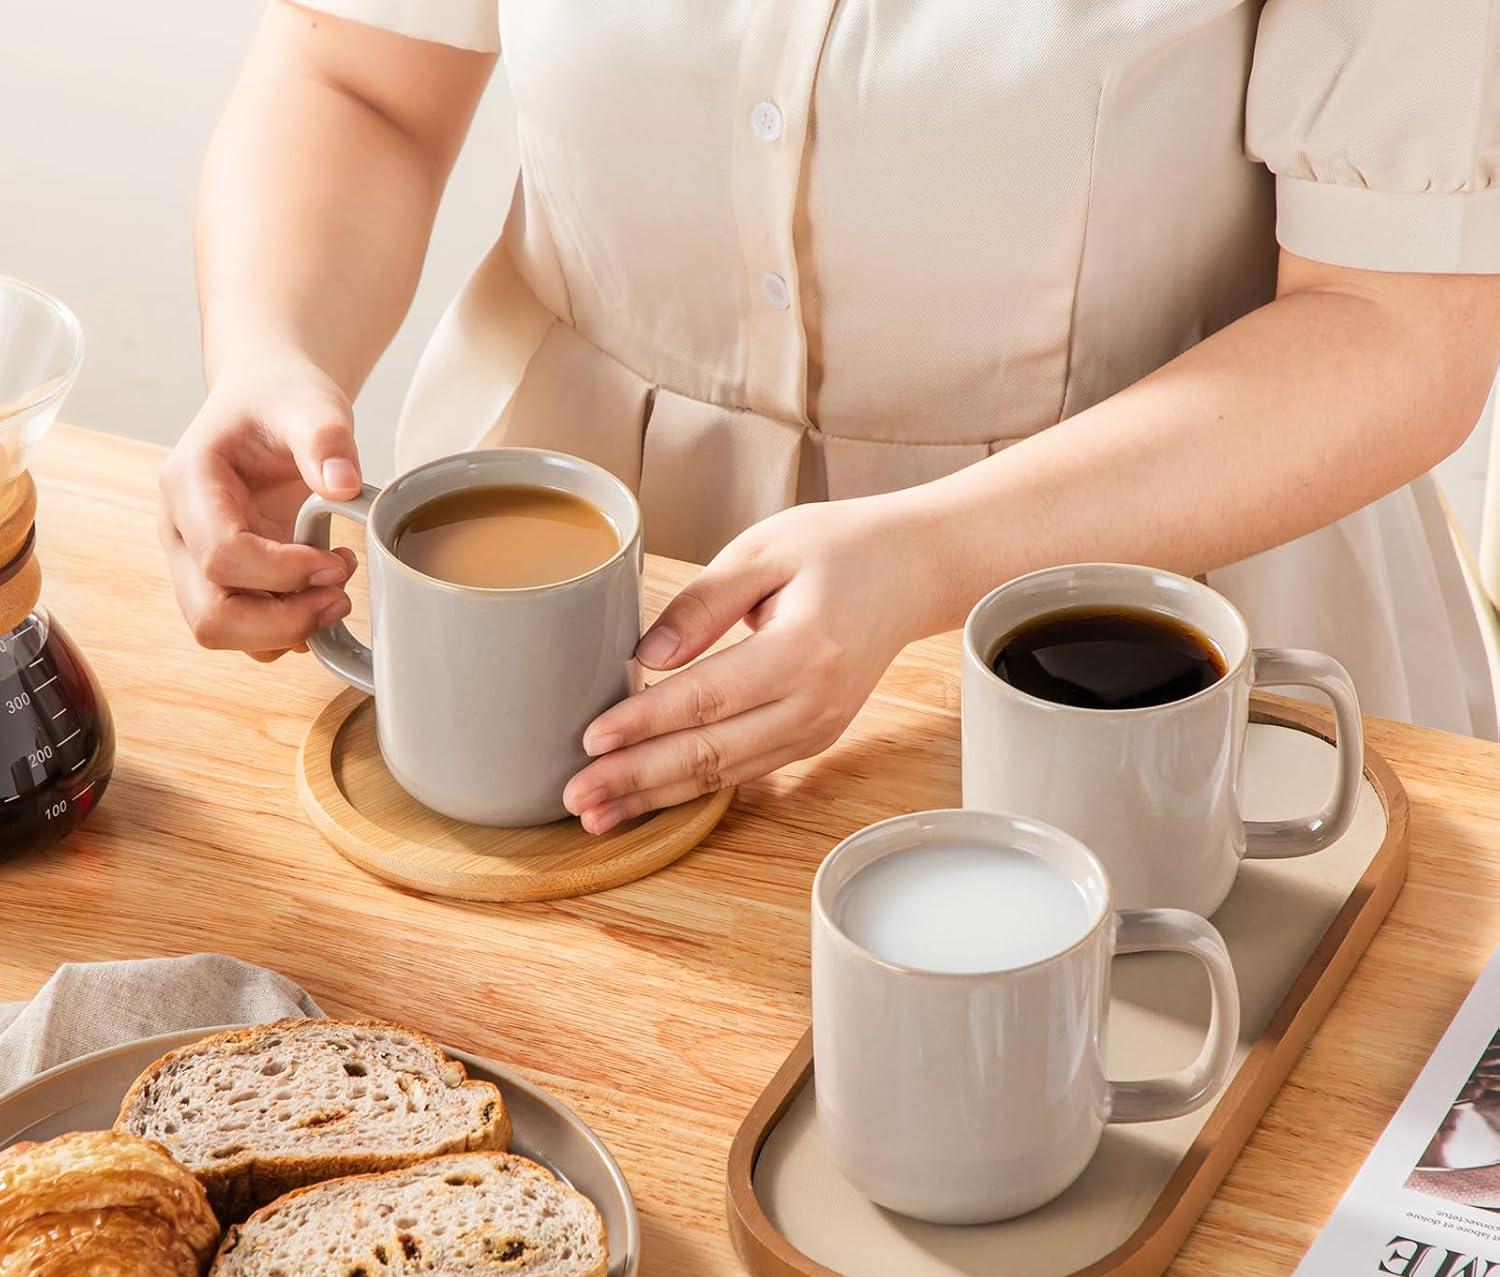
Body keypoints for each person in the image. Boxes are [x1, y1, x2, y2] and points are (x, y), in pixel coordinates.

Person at [162, 1, 1500, 834]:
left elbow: (1397, 323)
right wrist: (273, 350)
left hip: (1150, 620)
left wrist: (931, 554)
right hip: (544, 614)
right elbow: (359, 81)